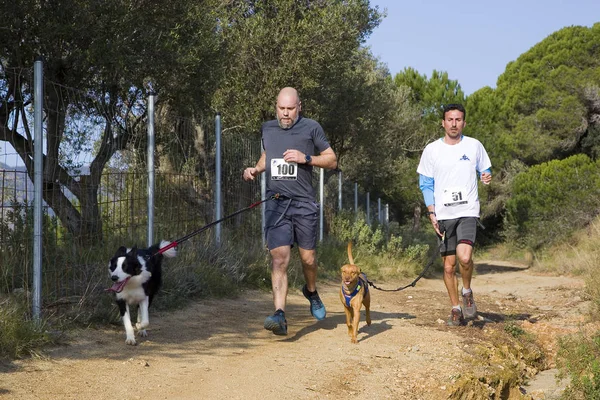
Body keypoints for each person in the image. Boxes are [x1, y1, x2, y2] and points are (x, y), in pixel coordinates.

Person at [243, 87, 337, 335]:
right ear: (276, 106)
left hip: (304, 203)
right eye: (281, 109)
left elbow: (331, 159)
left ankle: (311, 291)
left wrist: (306, 158)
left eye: (290, 109)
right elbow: (268, 155)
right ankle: (280, 315)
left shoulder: (311, 127)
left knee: (308, 259)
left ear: (299, 106)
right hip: (276, 202)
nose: (285, 114)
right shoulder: (267, 128)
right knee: (279, 258)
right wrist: (255, 169)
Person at [416, 103, 492, 326]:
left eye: (458, 120)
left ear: (464, 123)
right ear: (443, 122)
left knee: (465, 257)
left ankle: (466, 291)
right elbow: (426, 184)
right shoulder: (432, 150)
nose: (454, 124)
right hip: (443, 214)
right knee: (448, 266)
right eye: (450, 119)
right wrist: (431, 212)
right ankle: (455, 308)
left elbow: (485, 169)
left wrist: (486, 176)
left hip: (468, 211)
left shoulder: (474, 146)